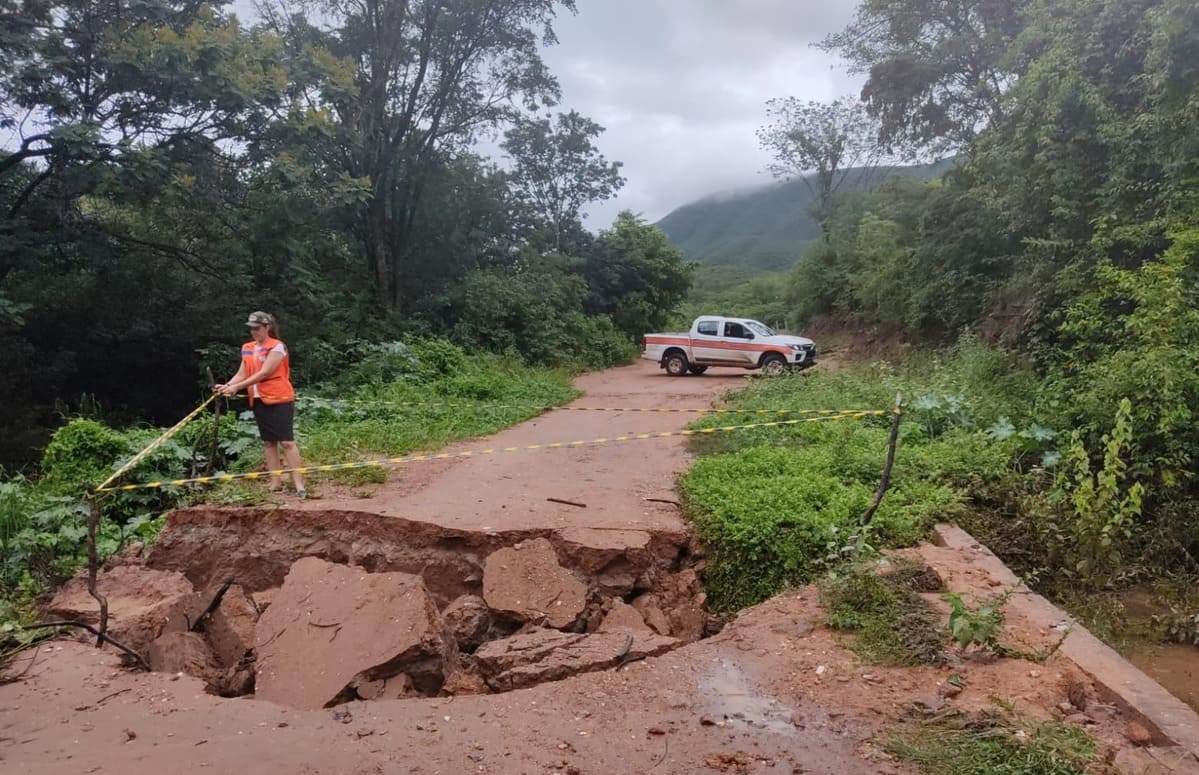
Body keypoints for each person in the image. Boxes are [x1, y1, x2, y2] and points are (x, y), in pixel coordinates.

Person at [215, 311, 306, 498]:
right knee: (268, 442)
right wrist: (228, 386)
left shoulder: (277, 346)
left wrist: (237, 387)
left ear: (267, 327)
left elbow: (265, 372)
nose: (254, 332)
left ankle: (299, 484)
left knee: (287, 442)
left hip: (279, 398)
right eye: (251, 329)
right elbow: (243, 372)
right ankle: (275, 482)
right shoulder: (247, 348)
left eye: (257, 328)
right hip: (257, 399)